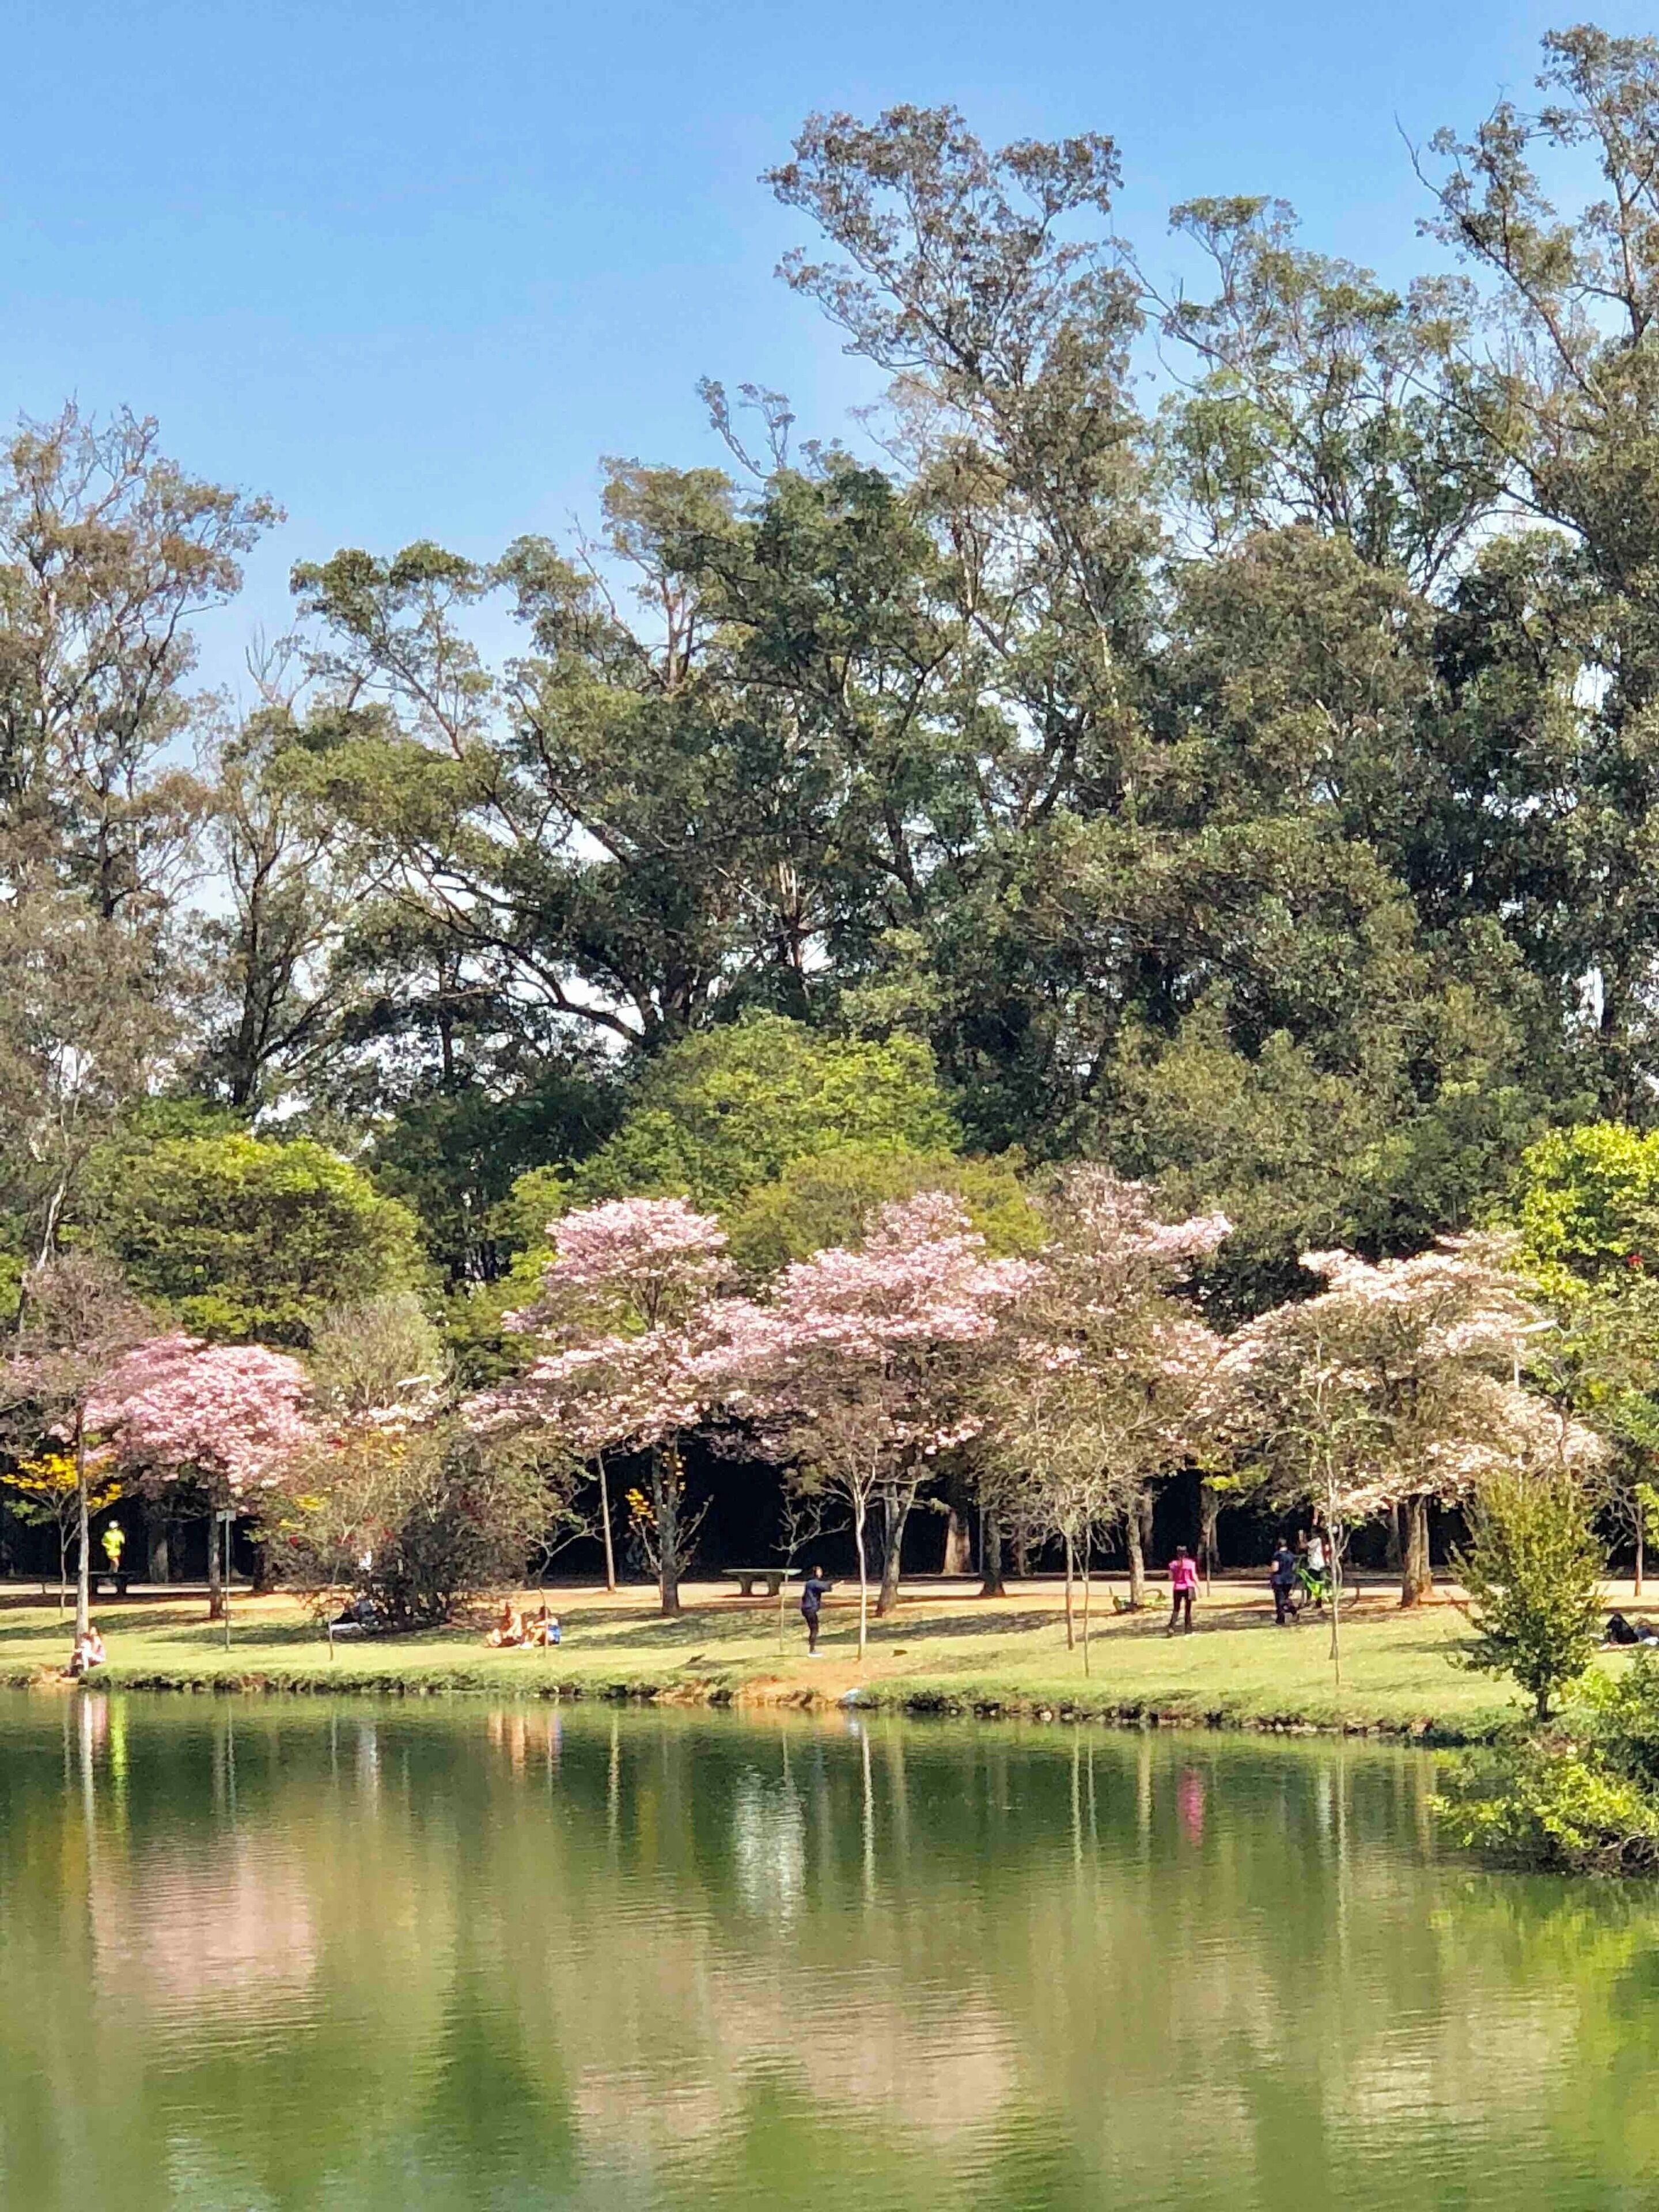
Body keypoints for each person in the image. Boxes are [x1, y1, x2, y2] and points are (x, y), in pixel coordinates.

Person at [800, 1565, 832, 1655]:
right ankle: (812, 1650)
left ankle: (812, 1649)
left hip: (807, 1609)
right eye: (819, 1571)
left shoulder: (811, 1583)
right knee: (814, 1629)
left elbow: (824, 1587)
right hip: (810, 1609)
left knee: (813, 1629)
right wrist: (833, 1584)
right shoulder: (813, 1583)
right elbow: (825, 1587)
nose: (821, 1573)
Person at [1166, 1546, 1198, 1635]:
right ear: (1186, 1553)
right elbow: (1194, 1576)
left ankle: (1171, 1627)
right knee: (1188, 1610)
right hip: (1189, 1587)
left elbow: (1171, 1578)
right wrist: (1199, 1587)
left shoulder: (1172, 1564)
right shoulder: (1191, 1563)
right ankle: (1188, 1630)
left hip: (1177, 1588)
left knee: (1176, 1609)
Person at [1270, 1540, 1300, 1627]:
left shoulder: (1277, 1555)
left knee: (1279, 1600)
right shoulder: (1291, 1555)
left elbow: (1275, 1568)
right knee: (1285, 1598)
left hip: (1279, 1580)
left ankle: (1281, 1619)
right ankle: (1293, 1612)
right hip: (1289, 1580)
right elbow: (1294, 1567)